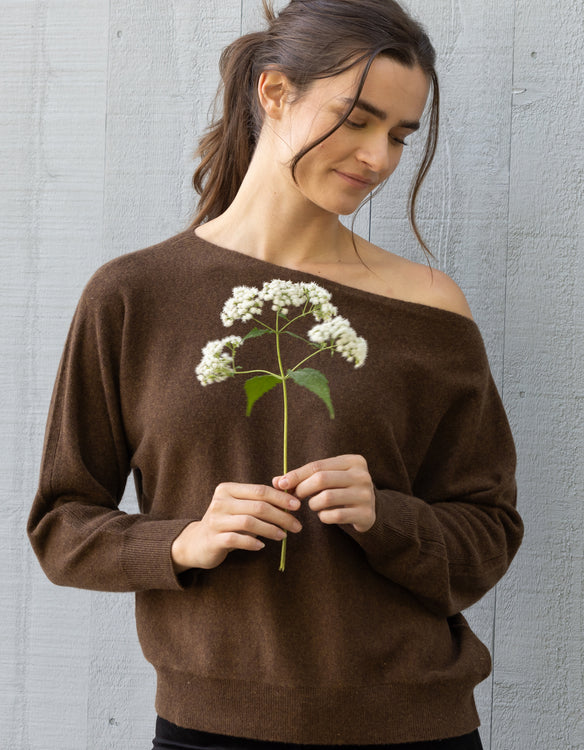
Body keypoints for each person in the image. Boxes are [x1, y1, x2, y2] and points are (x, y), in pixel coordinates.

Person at [28, 1, 524, 748]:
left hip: (414, 725)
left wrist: (385, 515)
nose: (380, 158)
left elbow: (490, 530)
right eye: (357, 120)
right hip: (208, 729)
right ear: (275, 92)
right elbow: (62, 525)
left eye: (399, 135)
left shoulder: (429, 306)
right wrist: (181, 543)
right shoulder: (134, 296)